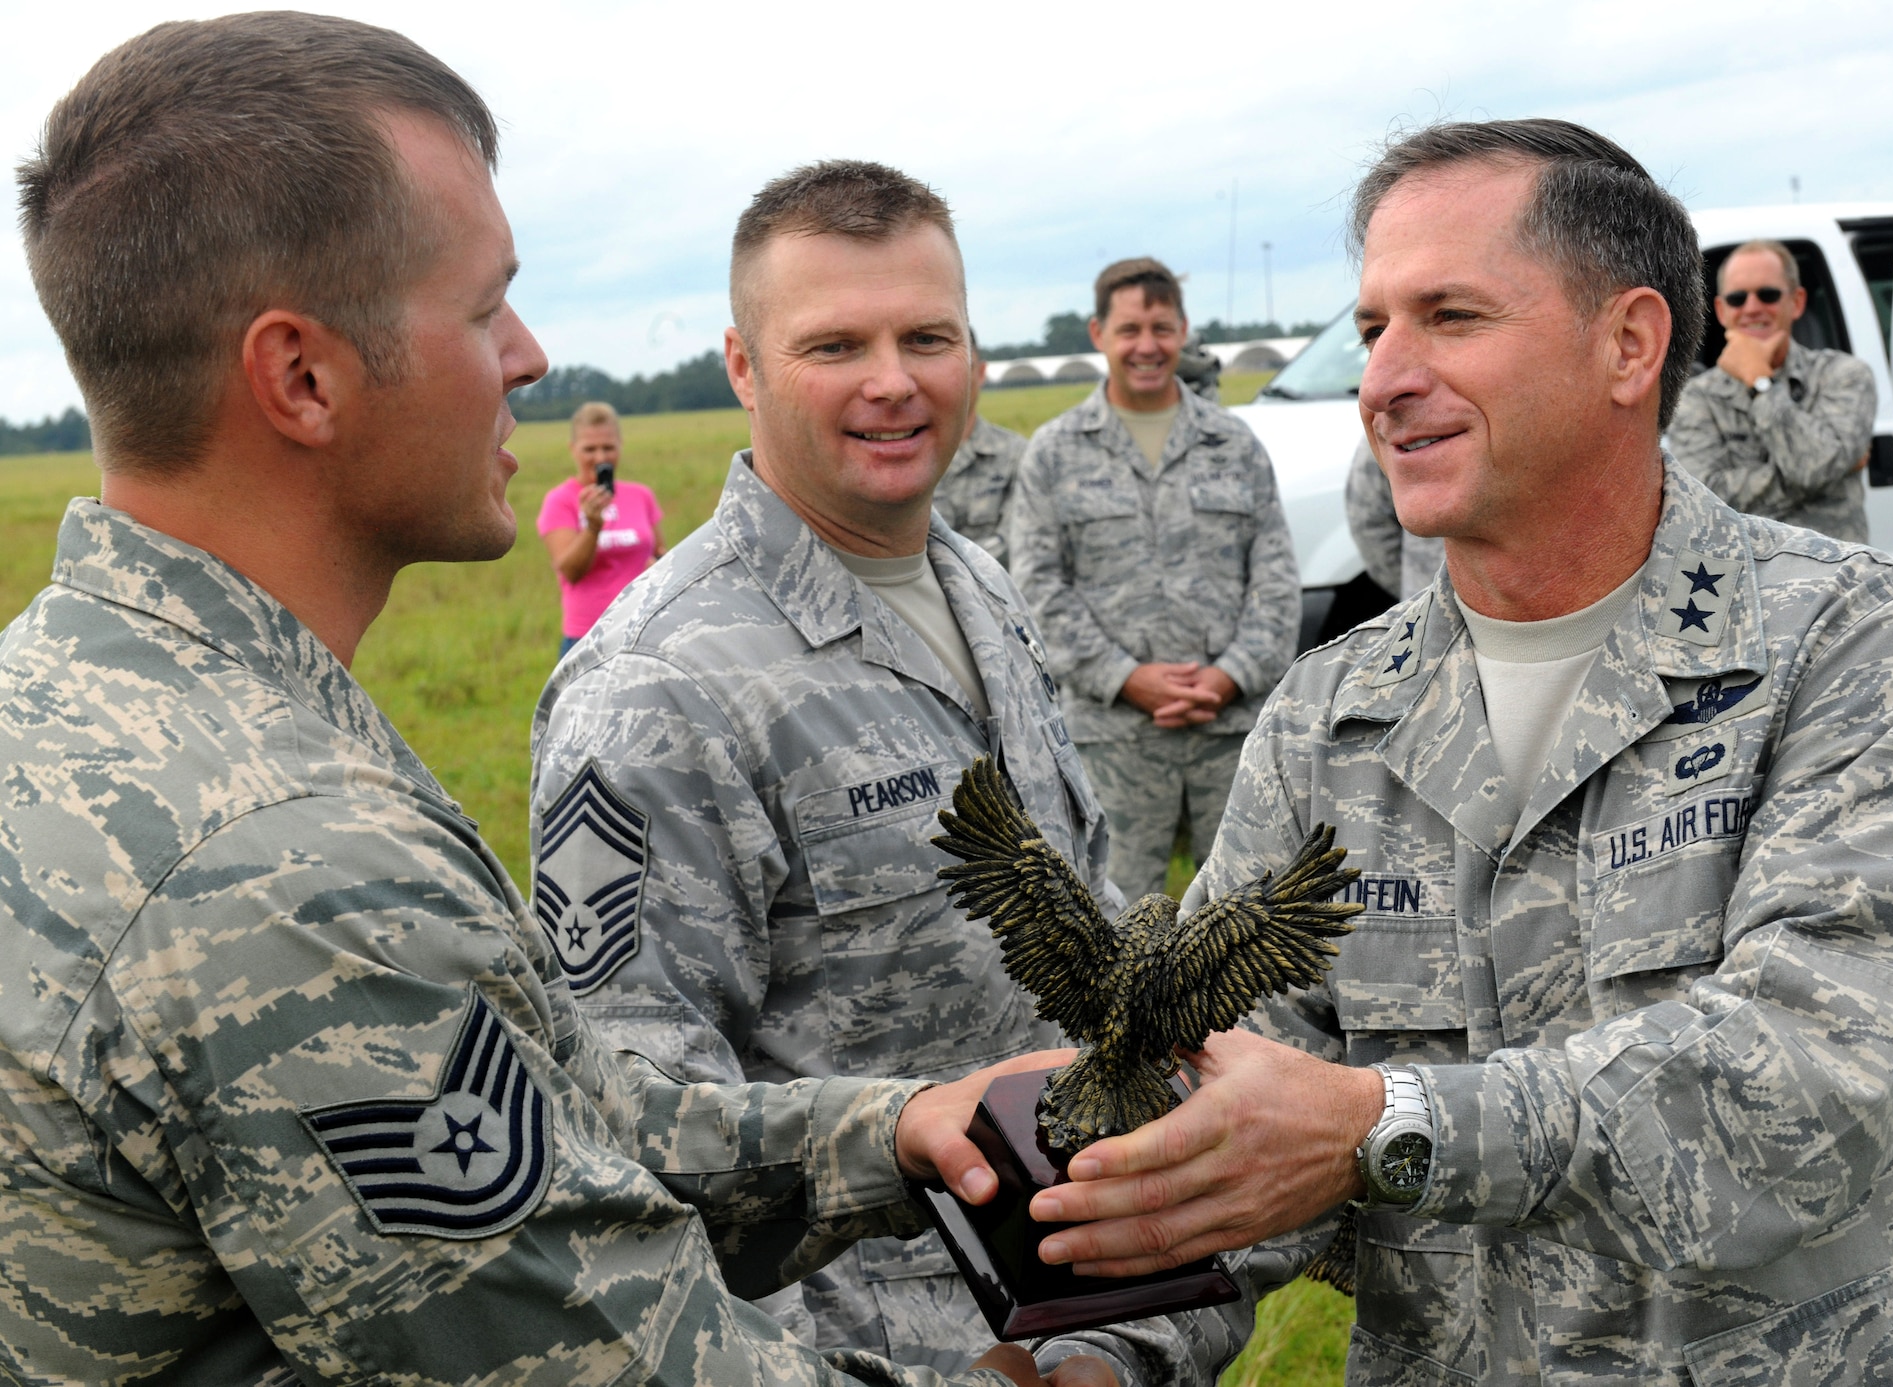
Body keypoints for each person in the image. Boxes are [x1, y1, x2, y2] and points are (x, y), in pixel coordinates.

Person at [0, 18, 1114, 1387]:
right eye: (482, 309)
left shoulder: (96, 701)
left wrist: (883, 1130)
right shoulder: (284, 865)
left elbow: (560, 1101)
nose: (528, 357)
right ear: (302, 376)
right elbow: (610, 1351)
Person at [1025, 119, 1893, 1385]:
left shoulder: (1855, 649)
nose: (1383, 379)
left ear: (1629, 344)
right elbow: (1226, 1102)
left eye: (1450, 317)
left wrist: (1386, 1127)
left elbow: (1811, 1083)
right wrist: (1103, 1352)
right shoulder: (1327, 723)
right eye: (1374, 326)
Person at [529, 161, 1123, 1376]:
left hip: (1088, 1295)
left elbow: (1086, 923)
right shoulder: (657, 686)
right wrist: (900, 1136)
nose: (892, 381)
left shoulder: (981, 589)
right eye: (834, 343)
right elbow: (620, 1114)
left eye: (927, 336)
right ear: (742, 366)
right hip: (867, 1350)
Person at [1007, 258, 1299, 901]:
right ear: (1098, 333)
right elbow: (1037, 587)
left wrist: (1231, 675)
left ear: (1184, 332)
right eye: (1130, 328)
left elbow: (1276, 578)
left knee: (1246, 920)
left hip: (1233, 731)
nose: (1147, 346)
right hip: (1115, 737)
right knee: (1114, 921)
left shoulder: (1235, 443)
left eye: (1162, 328)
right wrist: (1126, 678)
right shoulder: (1055, 453)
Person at [1668, 239, 1877, 542]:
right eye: (1738, 298)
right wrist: (1828, 473)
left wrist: (1760, 383)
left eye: (1768, 295)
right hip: (1743, 579)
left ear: (1797, 302)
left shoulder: (1844, 376)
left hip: (1837, 575)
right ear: (1722, 310)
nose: (1752, 308)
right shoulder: (1696, 398)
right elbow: (1705, 501)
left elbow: (1812, 466)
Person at [538, 400, 665, 656]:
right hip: (588, 637)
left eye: (608, 447)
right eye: (590, 449)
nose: (600, 458)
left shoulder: (640, 495)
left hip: (641, 629)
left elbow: (659, 552)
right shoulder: (561, 500)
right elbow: (571, 571)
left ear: (620, 446)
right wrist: (592, 528)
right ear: (573, 449)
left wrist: (658, 563)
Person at [931, 333, 1028, 563]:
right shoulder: (899, 452)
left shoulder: (1017, 454)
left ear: (981, 372)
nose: (956, 380)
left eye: (965, 367)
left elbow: (1016, 539)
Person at [1345, 436, 1443, 599]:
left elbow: (1367, 522)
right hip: (1428, 599)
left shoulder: (1393, 422)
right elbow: (1371, 524)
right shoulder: (1387, 426)